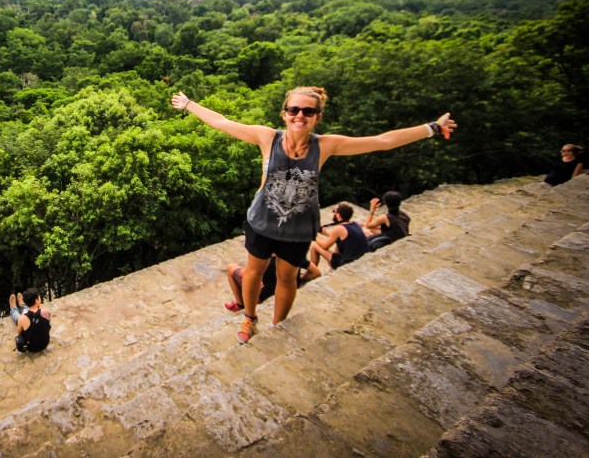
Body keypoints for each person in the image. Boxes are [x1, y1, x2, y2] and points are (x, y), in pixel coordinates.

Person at [171, 86, 456, 344]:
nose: (300, 115)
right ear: (284, 113)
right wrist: (188, 105)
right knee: (253, 273)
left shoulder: (325, 145)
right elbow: (222, 122)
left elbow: (382, 141)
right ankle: (250, 316)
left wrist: (431, 128)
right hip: (262, 223)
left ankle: (277, 325)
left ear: (317, 117)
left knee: (287, 278)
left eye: (308, 111)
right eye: (294, 109)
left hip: (297, 229)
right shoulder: (268, 137)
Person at [225, 258, 320, 312]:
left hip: (263, 296)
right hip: (289, 289)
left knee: (230, 268)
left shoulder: (265, 260)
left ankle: (240, 304)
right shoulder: (294, 254)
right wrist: (300, 280)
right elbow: (316, 272)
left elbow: (246, 275)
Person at [309, 202, 369, 269]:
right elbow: (338, 236)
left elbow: (325, 246)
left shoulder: (339, 229)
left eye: (334, 211)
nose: (333, 213)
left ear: (338, 215)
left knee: (314, 245)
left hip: (346, 262)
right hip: (359, 260)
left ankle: (311, 271)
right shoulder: (354, 224)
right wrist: (323, 231)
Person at [8, 288, 52, 353]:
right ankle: (23, 306)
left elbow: (19, 333)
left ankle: (14, 309)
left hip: (32, 348)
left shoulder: (22, 318)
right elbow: (48, 325)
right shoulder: (47, 312)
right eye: (39, 297)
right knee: (46, 321)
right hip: (45, 343)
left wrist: (23, 319)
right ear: (37, 301)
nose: (40, 299)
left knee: (19, 318)